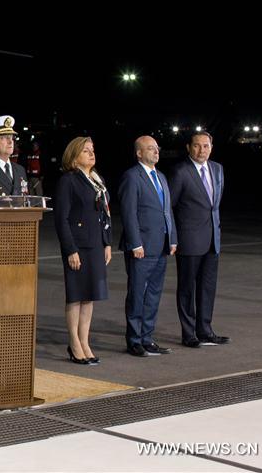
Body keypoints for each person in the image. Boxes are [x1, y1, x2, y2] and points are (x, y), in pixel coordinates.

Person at [53, 137, 111, 365]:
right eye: (85, 151)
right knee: (76, 296)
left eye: (92, 150)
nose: (91, 154)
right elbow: (62, 219)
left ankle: (85, 341)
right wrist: (70, 249)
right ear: (74, 156)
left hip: (96, 244)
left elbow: (104, 215)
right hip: (78, 247)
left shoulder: (96, 180)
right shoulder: (69, 181)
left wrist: (107, 243)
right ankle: (74, 343)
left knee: (90, 296)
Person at [118, 135, 177, 357]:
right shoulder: (132, 177)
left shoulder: (161, 177)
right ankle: (134, 340)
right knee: (137, 294)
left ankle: (147, 337)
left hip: (161, 245)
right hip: (141, 247)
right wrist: (135, 243)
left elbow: (167, 211)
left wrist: (172, 239)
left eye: (157, 148)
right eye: (150, 148)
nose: (156, 151)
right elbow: (129, 213)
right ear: (139, 153)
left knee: (153, 294)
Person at [170, 131, 229, 348]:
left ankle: (205, 330)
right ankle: (189, 333)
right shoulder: (180, 172)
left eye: (205, 146)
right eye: (197, 146)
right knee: (187, 288)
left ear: (211, 147)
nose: (201, 150)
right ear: (188, 147)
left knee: (207, 287)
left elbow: (214, 206)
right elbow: (170, 207)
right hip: (189, 240)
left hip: (213, 240)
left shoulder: (217, 169)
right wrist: (174, 237)